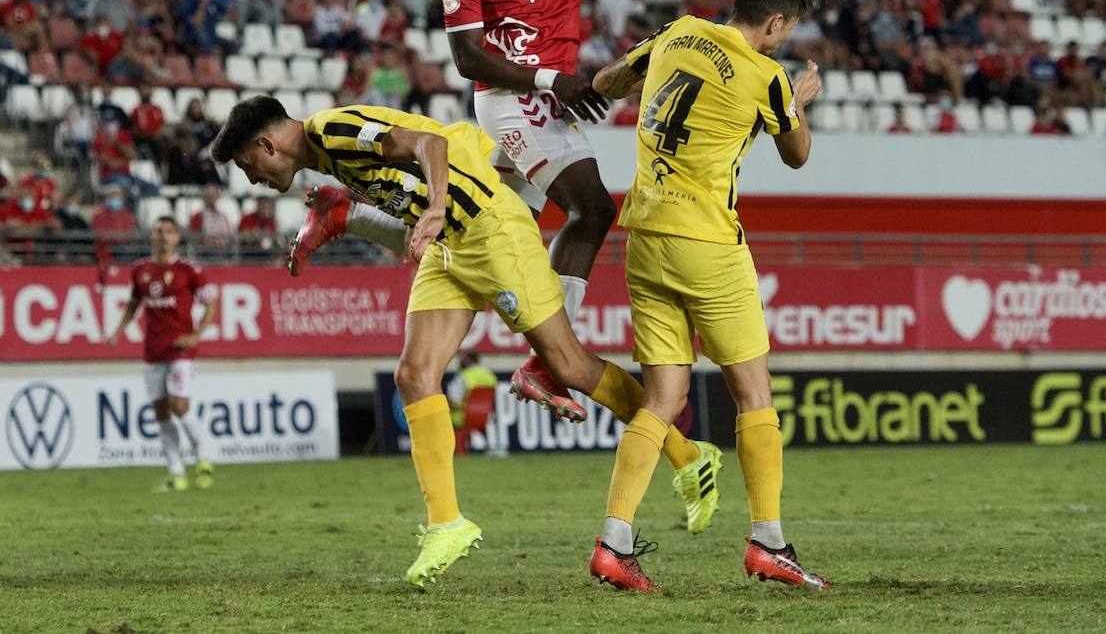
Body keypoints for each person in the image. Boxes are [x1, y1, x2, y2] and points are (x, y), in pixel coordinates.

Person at [210, 97, 717, 588]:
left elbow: (428, 143)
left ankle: (688, 455)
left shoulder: (330, 130)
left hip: (489, 232)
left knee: (567, 366)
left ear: (265, 145)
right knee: (414, 375)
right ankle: (446, 524)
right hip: (450, 246)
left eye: (246, 164)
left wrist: (432, 209)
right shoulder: (325, 153)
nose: (251, 177)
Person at [290, 0, 625, 429]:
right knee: (592, 208)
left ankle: (349, 214)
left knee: (482, 228)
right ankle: (549, 360)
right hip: (515, 102)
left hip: (541, 92)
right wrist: (556, 85)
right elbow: (468, 60)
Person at [584, 0, 829, 592]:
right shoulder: (767, 74)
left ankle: (614, 542)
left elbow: (607, 80)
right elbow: (799, 156)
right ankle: (768, 542)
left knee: (663, 400)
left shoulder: (678, 31)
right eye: (788, 25)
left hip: (644, 236)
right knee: (753, 393)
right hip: (708, 245)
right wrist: (797, 104)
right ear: (775, 22)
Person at [104, 217, 218, 493]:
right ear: (152, 237)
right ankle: (176, 473)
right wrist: (118, 330)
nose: (163, 236)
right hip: (153, 351)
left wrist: (196, 335)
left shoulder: (189, 270)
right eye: (159, 231)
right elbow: (134, 303)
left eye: (169, 232)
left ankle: (204, 459)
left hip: (181, 349)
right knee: (162, 412)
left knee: (179, 405)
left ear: (177, 238)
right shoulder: (141, 270)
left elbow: (211, 304)